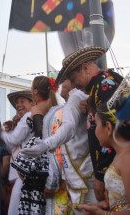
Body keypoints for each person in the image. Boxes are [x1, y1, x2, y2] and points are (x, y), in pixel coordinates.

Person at [55, 46, 123, 202]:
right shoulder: (99, 87)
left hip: (116, 169)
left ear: (85, 68)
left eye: (72, 79)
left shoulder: (104, 86)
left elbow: (113, 131)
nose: (72, 85)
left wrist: (100, 174)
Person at [21, 78, 97, 213]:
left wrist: (51, 182)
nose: (62, 84)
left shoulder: (57, 112)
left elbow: (56, 153)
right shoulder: (62, 109)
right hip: (70, 179)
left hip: (68, 180)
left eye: (67, 79)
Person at [79, 73, 130, 214]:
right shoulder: (121, 155)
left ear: (108, 128)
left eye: (96, 125)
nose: (94, 132)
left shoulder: (126, 158)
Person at [12, 76, 59, 215]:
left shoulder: (37, 108)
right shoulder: (55, 108)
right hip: (53, 161)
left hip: (39, 166)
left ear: (35, 92)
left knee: (35, 202)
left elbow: (40, 134)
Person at [0, 89, 34, 215]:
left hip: (26, 172)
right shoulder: (31, 117)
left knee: (15, 205)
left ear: (32, 103)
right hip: (27, 172)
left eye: (22, 101)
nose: (19, 105)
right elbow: (12, 146)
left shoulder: (28, 117)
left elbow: (13, 139)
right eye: (17, 102)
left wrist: (0, 133)